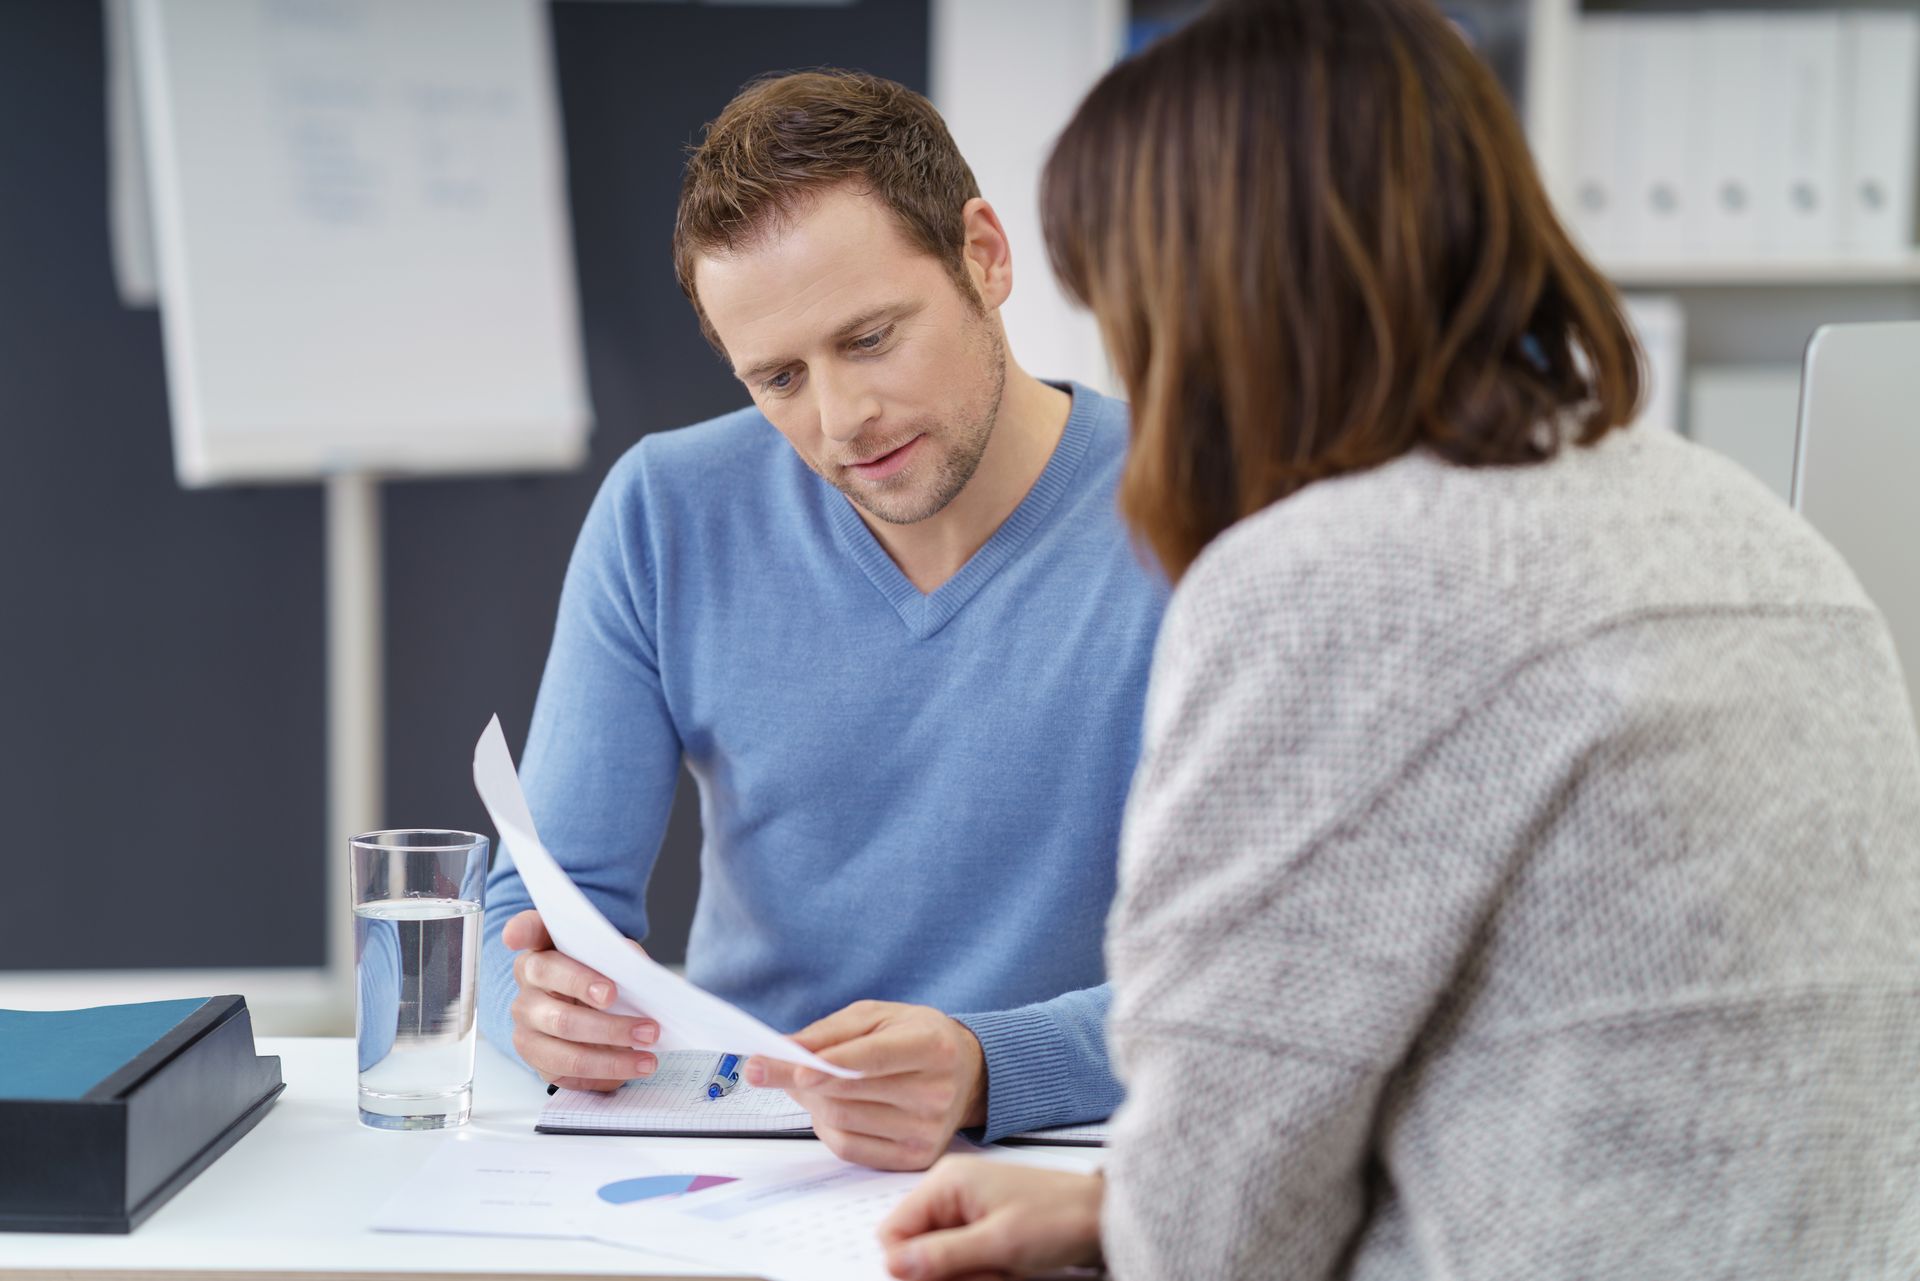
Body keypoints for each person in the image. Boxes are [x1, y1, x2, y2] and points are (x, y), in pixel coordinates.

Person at [879, 0, 1920, 1274]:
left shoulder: (1337, 582)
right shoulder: (1750, 529)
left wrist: (1139, 1220)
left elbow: (1216, 1235)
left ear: (1203, 305)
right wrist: (1111, 1210)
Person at [476, 70, 1167, 1171]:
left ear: (985, 256)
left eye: (872, 338)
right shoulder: (665, 511)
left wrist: (992, 1066)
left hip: (1075, 1159)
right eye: (779, 377)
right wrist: (543, 1008)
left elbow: (1284, 968)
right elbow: (537, 904)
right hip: (744, 1157)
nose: (843, 421)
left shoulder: (1208, 513)